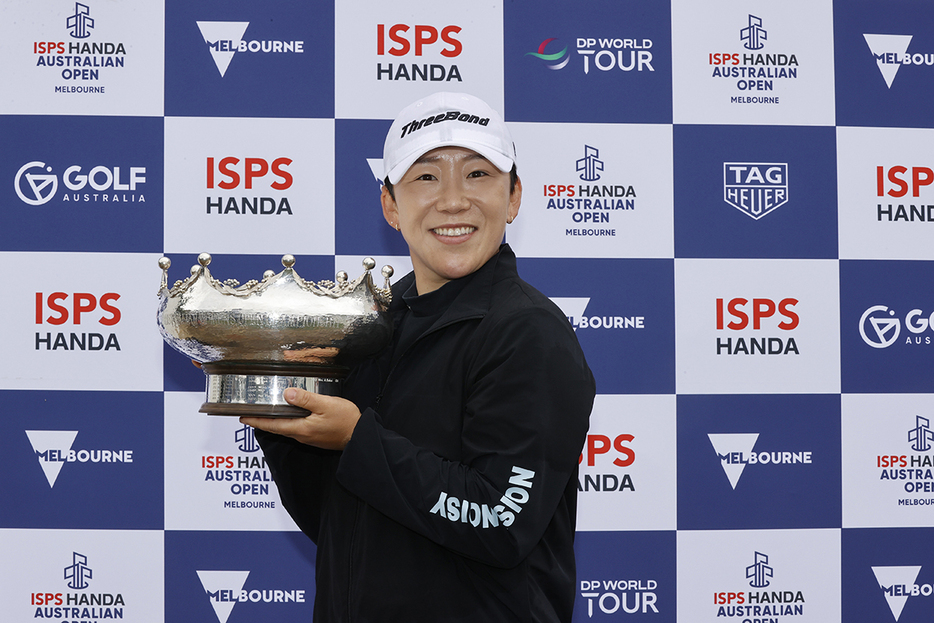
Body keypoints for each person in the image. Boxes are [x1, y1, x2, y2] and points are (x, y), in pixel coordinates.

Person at [242, 91, 595, 622]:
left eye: (478, 175)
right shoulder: (370, 328)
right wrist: (279, 404)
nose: (453, 200)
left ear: (514, 196)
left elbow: (502, 522)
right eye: (426, 177)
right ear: (390, 204)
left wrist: (358, 439)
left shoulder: (529, 334)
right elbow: (341, 521)